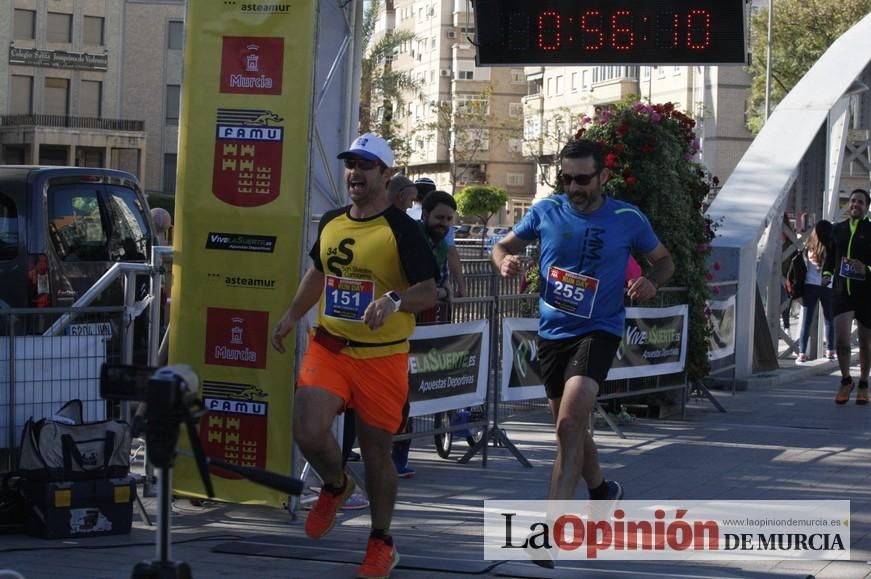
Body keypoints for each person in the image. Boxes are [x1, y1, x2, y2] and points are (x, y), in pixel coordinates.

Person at [492, 139, 674, 566]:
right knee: (569, 428)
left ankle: (548, 537)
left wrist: (651, 281)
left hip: (600, 329)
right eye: (567, 178)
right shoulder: (545, 211)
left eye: (583, 179)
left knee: (570, 424)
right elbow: (502, 246)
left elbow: (664, 262)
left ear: (603, 177)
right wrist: (503, 261)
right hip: (553, 333)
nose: (574, 187)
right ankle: (601, 493)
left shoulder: (627, 218)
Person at [271, 132, 437, 578]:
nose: (355, 173)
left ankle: (381, 540)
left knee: (376, 453)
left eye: (366, 165)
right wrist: (291, 315)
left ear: (386, 174)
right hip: (330, 346)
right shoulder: (331, 221)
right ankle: (337, 485)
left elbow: (430, 290)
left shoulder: (403, 229)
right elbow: (318, 273)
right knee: (307, 428)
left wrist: (394, 301)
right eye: (350, 164)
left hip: (382, 356)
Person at [823, 189, 871, 405]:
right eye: (853, 201)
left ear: (867, 207)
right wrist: (826, 275)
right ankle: (845, 380)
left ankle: (863, 383)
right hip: (842, 292)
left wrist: (866, 268)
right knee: (841, 341)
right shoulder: (837, 230)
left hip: (866, 293)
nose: (855, 205)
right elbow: (830, 259)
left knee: (866, 342)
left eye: (860, 202)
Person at [411, 177, 466, 297]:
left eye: (449, 219)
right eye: (439, 218)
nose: (444, 223)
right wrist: (446, 292)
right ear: (425, 214)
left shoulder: (441, 244)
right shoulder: (411, 234)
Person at [795, 220, 835, 363]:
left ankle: (801, 354)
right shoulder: (831, 248)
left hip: (810, 285)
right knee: (829, 319)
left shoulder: (809, 246)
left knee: (807, 320)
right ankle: (830, 351)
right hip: (827, 286)